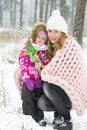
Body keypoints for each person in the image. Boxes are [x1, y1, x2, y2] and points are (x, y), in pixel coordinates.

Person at [37, 10, 87, 130]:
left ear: (62, 32)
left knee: (48, 86)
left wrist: (44, 70)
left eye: (56, 31)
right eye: (49, 31)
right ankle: (59, 115)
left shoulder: (69, 46)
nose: (52, 35)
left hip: (69, 92)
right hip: (59, 91)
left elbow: (59, 74)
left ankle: (67, 119)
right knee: (42, 102)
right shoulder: (52, 46)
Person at [14, 22, 49, 126]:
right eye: (39, 37)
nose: (40, 40)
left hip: (38, 79)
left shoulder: (44, 51)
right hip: (27, 79)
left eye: (43, 39)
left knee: (38, 97)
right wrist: (31, 59)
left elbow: (47, 64)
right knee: (28, 97)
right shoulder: (28, 47)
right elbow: (21, 60)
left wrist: (42, 64)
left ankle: (39, 116)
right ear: (35, 36)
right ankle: (28, 116)